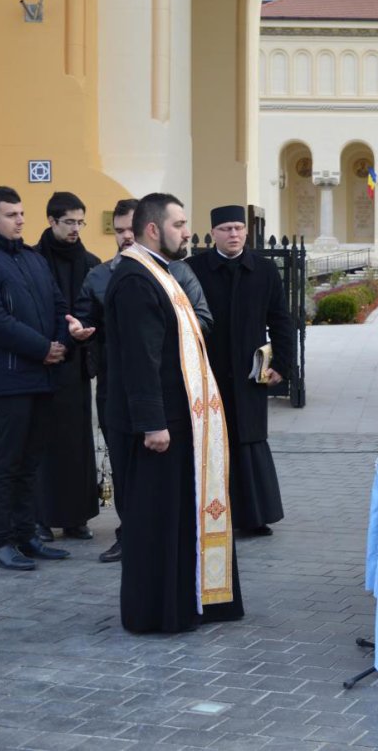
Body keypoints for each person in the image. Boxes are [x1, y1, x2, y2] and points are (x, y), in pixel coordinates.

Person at [102, 193, 243, 633]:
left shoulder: (158, 272)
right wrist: (152, 423)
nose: (186, 232)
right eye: (179, 224)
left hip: (178, 419)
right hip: (156, 426)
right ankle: (155, 612)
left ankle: (188, 601)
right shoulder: (135, 279)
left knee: (177, 517)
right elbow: (139, 359)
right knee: (155, 521)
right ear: (152, 229)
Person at [72, 198, 213, 562]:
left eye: (129, 229)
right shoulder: (118, 276)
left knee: (159, 489)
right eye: (119, 230)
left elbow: (200, 321)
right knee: (130, 476)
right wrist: (81, 330)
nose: (125, 237)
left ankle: (154, 547)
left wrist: (158, 329)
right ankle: (133, 538)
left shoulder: (173, 272)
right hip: (127, 393)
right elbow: (100, 325)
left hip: (165, 394)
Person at [0, 186, 86, 570]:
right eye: (11, 214)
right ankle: (1, 542)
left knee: (31, 460)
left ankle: (26, 534)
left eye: (21, 214)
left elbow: (58, 305)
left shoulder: (32, 258)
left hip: (42, 375)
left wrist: (62, 341)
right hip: (9, 376)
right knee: (7, 460)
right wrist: (43, 348)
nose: (19, 220)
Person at [186, 205, 293, 537]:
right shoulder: (193, 269)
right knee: (211, 441)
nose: (233, 234)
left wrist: (282, 365)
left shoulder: (264, 270)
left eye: (238, 228)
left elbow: (281, 319)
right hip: (209, 371)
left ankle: (253, 516)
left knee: (249, 440)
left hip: (249, 374)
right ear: (213, 233)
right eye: (226, 229)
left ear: (246, 232)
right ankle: (210, 516)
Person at [32, 191, 101, 542]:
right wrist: (48, 345)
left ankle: (76, 517)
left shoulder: (90, 262)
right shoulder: (33, 260)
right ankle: (41, 518)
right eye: (69, 222)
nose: (75, 228)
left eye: (80, 222)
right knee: (44, 442)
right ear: (51, 221)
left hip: (76, 365)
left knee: (76, 442)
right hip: (43, 360)